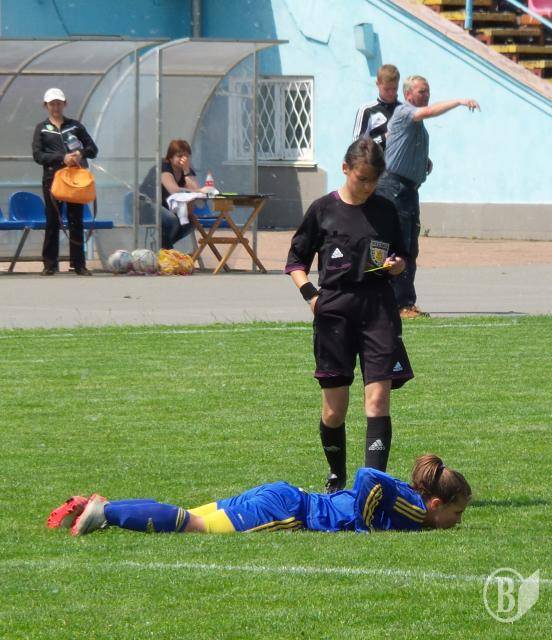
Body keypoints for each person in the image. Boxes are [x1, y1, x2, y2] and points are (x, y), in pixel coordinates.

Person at [285, 138, 414, 494]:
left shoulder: (386, 210)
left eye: (374, 180)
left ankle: (373, 488)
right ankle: (337, 479)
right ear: (345, 169)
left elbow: (403, 255)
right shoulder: (322, 210)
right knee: (334, 411)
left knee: (378, 400)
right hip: (335, 315)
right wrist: (312, 297)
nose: (368, 186)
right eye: (362, 178)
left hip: (378, 311)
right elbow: (296, 261)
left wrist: (397, 265)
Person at [47, 454, 471, 536]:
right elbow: (366, 477)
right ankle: (106, 513)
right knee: (195, 526)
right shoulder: (413, 512)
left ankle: (100, 504)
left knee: (188, 514)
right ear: (435, 504)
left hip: (283, 495)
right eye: (456, 513)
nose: (458, 521)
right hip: (288, 510)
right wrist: (365, 524)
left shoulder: (410, 507)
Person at [377, 76, 480, 319]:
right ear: (409, 94)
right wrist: (459, 101)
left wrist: (423, 162)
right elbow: (430, 112)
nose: (427, 95)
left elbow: (401, 147)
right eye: (422, 91)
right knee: (399, 247)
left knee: (410, 248)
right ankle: (398, 304)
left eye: (428, 91)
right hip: (394, 188)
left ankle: (405, 303)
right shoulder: (404, 111)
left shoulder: (414, 122)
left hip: (408, 189)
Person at [32, 88, 98, 276]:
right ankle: (50, 264)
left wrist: (80, 154)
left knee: (76, 220)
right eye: (52, 104)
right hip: (53, 180)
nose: (56, 107)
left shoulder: (75, 126)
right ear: (46, 106)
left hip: (75, 179)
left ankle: (79, 264)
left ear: (65, 104)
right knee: (53, 220)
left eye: (59, 103)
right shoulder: (42, 128)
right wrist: (62, 158)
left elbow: (93, 149)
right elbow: (38, 155)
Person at [139, 139, 206, 250]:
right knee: (171, 220)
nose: (183, 159)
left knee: (190, 223)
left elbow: (197, 192)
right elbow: (175, 192)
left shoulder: (186, 171)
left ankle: (163, 248)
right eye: (180, 156)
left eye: (186, 156)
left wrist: (186, 172)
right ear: (170, 157)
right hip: (145, 205)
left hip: (166, 208)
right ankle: (165, 249)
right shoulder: (163, 167)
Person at [352, 64, 401, 150]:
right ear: (377, 84)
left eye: (394, 88)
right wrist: (384, 137)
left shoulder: (404, 110)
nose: (391, 93)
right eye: (387, 89)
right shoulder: (367, 110)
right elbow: (357, 147)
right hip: (377, 158)